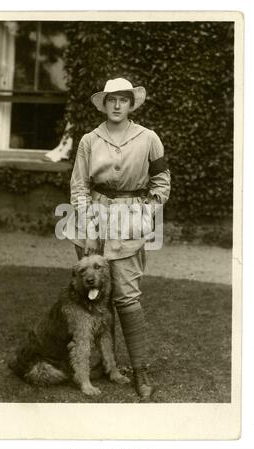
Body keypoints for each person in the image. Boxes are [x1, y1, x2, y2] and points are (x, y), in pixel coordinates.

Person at [66, 78, 171, 399]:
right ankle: (104, 364)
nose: (116, 105)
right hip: (93, 216)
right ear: (104, 103)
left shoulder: (149, 138)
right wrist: (86, 221)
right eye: (111, 99)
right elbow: (80, 184)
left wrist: (147, 210)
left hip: (130, 217)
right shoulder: (89, 140)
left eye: (123, 100)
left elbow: (162, 179)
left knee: (126, 296)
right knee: (93, 293)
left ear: (131, 104)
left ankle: (140, 370)